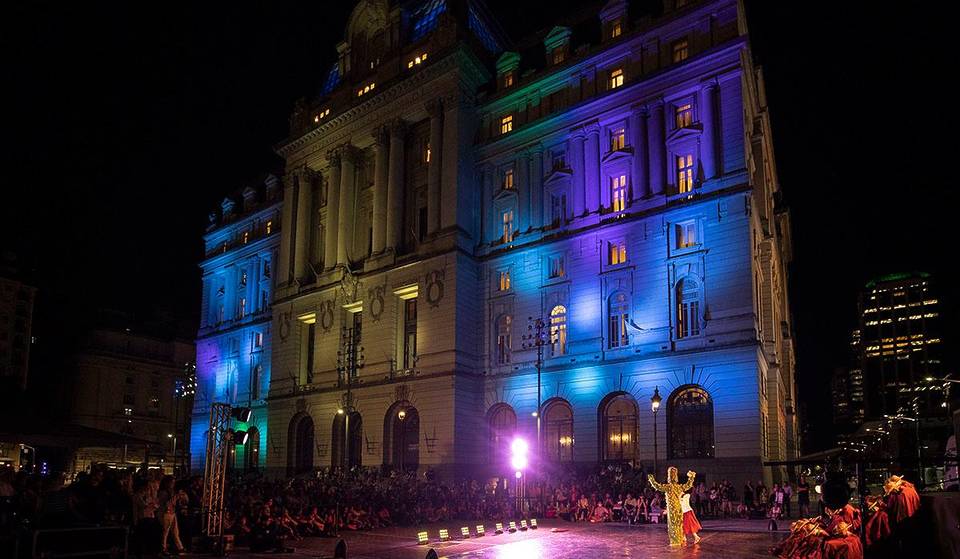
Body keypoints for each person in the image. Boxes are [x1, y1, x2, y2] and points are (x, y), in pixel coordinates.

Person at [648, 467, 696, 547]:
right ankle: (679, 540)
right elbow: (688, 485)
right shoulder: (678, 487)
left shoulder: (668, 487)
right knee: (679, 525)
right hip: (678, 509)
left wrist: (651, 478)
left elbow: (657, 486)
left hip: (672, 509)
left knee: (673, 526)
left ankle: (675, 542)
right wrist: (691, 477)